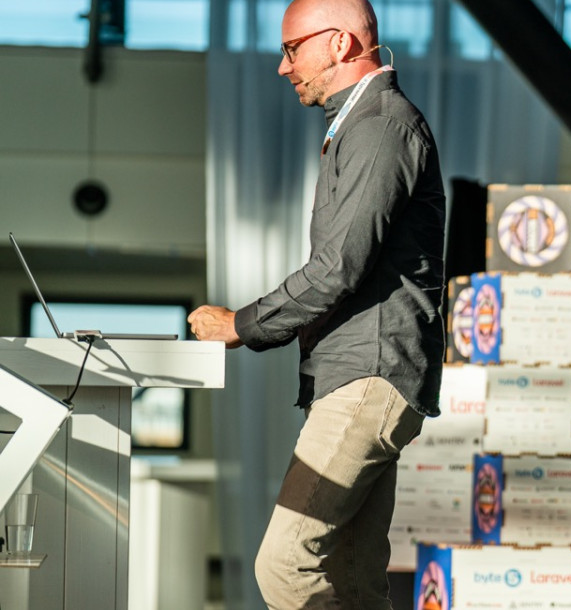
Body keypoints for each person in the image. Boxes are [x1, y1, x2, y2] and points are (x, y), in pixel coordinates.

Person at [188, 0, 445, 606]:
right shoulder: (359, 125)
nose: (283, 67)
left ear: (340, 43)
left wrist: (241, 324)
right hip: (366, 374)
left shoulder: (380, 126)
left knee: (285, 565)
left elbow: (337, 268)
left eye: (291, 49)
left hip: (368, 376)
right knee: (353, 581)